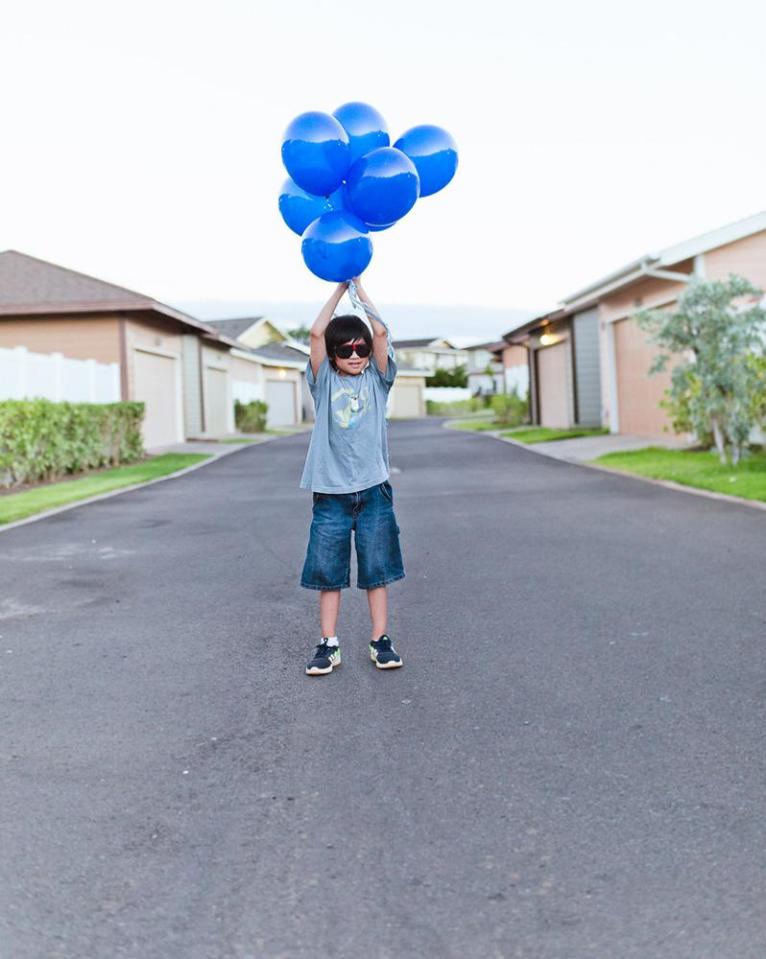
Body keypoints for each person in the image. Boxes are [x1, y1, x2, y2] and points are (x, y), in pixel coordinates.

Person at [299, 277, 405, 676]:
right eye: (346, 350)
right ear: (333, 354)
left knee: (377, 569)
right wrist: (339, 291)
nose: (356, 354)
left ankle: (381, 640)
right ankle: (328, 643)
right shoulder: (323, 381)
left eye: (360, 349)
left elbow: (379, 331)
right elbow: (315, 332)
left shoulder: (378, 381)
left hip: (374, 490)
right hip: (331, 494)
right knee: (329, 572)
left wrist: (360, 292)